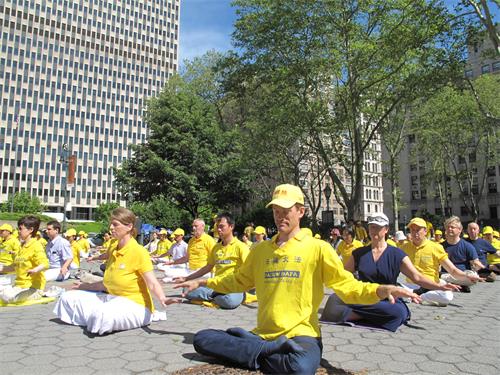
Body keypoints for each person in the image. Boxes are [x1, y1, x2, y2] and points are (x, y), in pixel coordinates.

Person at [175, 184, 420, 374]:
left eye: (286, 211)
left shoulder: (318, 248)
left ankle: (250, 349)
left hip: (302, 335)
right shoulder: (260, 251)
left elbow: (347, 286)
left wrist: (380, 290)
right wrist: (203, 282)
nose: (280, 216)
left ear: (301, 212)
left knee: (301, 368)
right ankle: (266, 349)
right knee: (202, 338)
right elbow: (239, 280)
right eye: (276, 211)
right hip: (264, 335)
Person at [320, 213, 460, 331]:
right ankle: (365, 314)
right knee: (333, 302)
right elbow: (341, 276)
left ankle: (354, 314)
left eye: (378, 227)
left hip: (387, 299)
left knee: (399, 312)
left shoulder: (396, 253)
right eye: (372, 227)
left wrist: (440, 286)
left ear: (386, 229)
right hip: (364, 297)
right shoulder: (359, 253)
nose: (374, 230)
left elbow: (416, 277)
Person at [53, 207, 180, 335]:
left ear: (129, 226)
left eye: (115, 224)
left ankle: (97, 317)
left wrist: (163, 298)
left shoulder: (139, 251)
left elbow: (152, 283)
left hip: (135, 305)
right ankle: (95, 317)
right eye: (111, 224)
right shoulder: (114, 248)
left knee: (101, 314)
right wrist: (82, 286)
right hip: (111, 297)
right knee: (67, 298)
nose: (111, 228)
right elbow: (106, 284)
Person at [174, 213, 249, 309]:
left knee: (229, 301)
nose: (218, 229)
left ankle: (213, 297)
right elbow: (208, 267)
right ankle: (215, 296)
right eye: (217, 226)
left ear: (231, 226)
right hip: (216, 286)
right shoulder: (216, 248)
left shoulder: (241, 247)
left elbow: (250, 269)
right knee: (186, 290)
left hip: (234, 288)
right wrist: (186, 278)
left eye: (222, 226)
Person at [401, 217, 481, 302]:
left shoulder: (436, 247)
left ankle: (416, 296)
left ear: (425, 231)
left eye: (418, 229)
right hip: (411, 285)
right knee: (391, 289)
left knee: (447, 296)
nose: (415, 233)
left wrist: (467, 276)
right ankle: (415, 295)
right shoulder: (403, 248)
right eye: (412, 230)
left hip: (431, 286)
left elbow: (452, 270)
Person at [0, 216, 49, 303]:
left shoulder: (36, 245)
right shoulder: (21, 246)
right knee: (3, 295)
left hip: (33, 288)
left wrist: (35, 269)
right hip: (19, 286)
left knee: (7, 297)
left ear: (30, 230)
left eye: (20, 229)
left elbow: (45, 264)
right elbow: (14, 267)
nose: (18, 231)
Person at [441, 216, 483, 291]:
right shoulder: (440, 246)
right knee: (440, 278)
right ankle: (457, 286)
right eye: (448, 227)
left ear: (460, 230)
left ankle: (452, 286)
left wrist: (477, 265)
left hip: (463, 274)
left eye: (452, 227)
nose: (449, 229)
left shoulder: (467, 246)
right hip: (446, 274)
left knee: (473, 276)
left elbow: (475, 262)